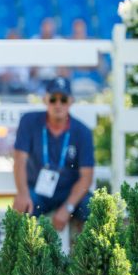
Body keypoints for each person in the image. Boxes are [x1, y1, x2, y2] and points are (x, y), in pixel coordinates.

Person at [12, 76, 94, 228]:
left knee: (91, 209)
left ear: (71, 101)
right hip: (37, 190)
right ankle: (25, 252)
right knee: (21, 207)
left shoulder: (83, 132)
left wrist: (67, 208)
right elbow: (19, 161)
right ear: (45, 100)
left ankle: (83, 251)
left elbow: (86, 177)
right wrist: (23, 194)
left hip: (68, 192)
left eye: (63, 99)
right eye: (53, 99)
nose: (58, 104)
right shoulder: (29, 122)